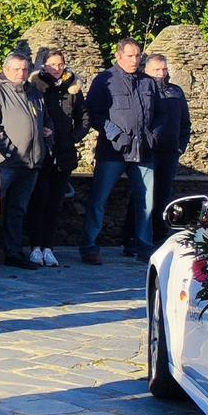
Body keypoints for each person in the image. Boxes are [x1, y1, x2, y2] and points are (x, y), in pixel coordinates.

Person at [79, 39, 160, 264]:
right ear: (119, 56)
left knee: (146, 201)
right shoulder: (105, 80)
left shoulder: (148, 83)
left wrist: (153, 135)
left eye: (138, 56)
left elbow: (160, 114)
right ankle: (89, 247)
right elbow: (94, 113)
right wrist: (115, 134)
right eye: (130, 56)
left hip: (143, 152)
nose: (135, 60)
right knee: (99, 199)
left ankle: (144, 246)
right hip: (113, 151)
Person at [0, 50, 48, 269]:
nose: (21, 73)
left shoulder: (34, 92)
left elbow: (44, 120)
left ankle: (13, 252)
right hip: (6, 163)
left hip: (31, 164)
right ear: (6, 70)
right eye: (16, 69)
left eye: (25, 69)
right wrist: (9, 151)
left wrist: (44, 142)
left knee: (18, 210)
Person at [29, 47, 86, 267]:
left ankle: (48, 247)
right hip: (42, 153)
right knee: (38, 200)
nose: (57, 68)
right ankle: (35, 246)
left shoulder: (72, 88)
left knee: (54, 202)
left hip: (63, 153)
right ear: (44, 65)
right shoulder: (35, 87)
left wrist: (72, 136)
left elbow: (85, 117)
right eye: (52, 64)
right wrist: (40, 129)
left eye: (60, 64)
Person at [146, 54, 191, 246]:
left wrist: (180, 146)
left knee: (164, 194)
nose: (161, 73)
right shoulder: (143, 91)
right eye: (157, 70)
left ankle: (159, 235)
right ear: (147, 70)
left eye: (164, 69)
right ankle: (135, 238)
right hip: (148, 151)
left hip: (170, 152)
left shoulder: (176, 91)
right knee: (144, 195)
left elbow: (185, 123)